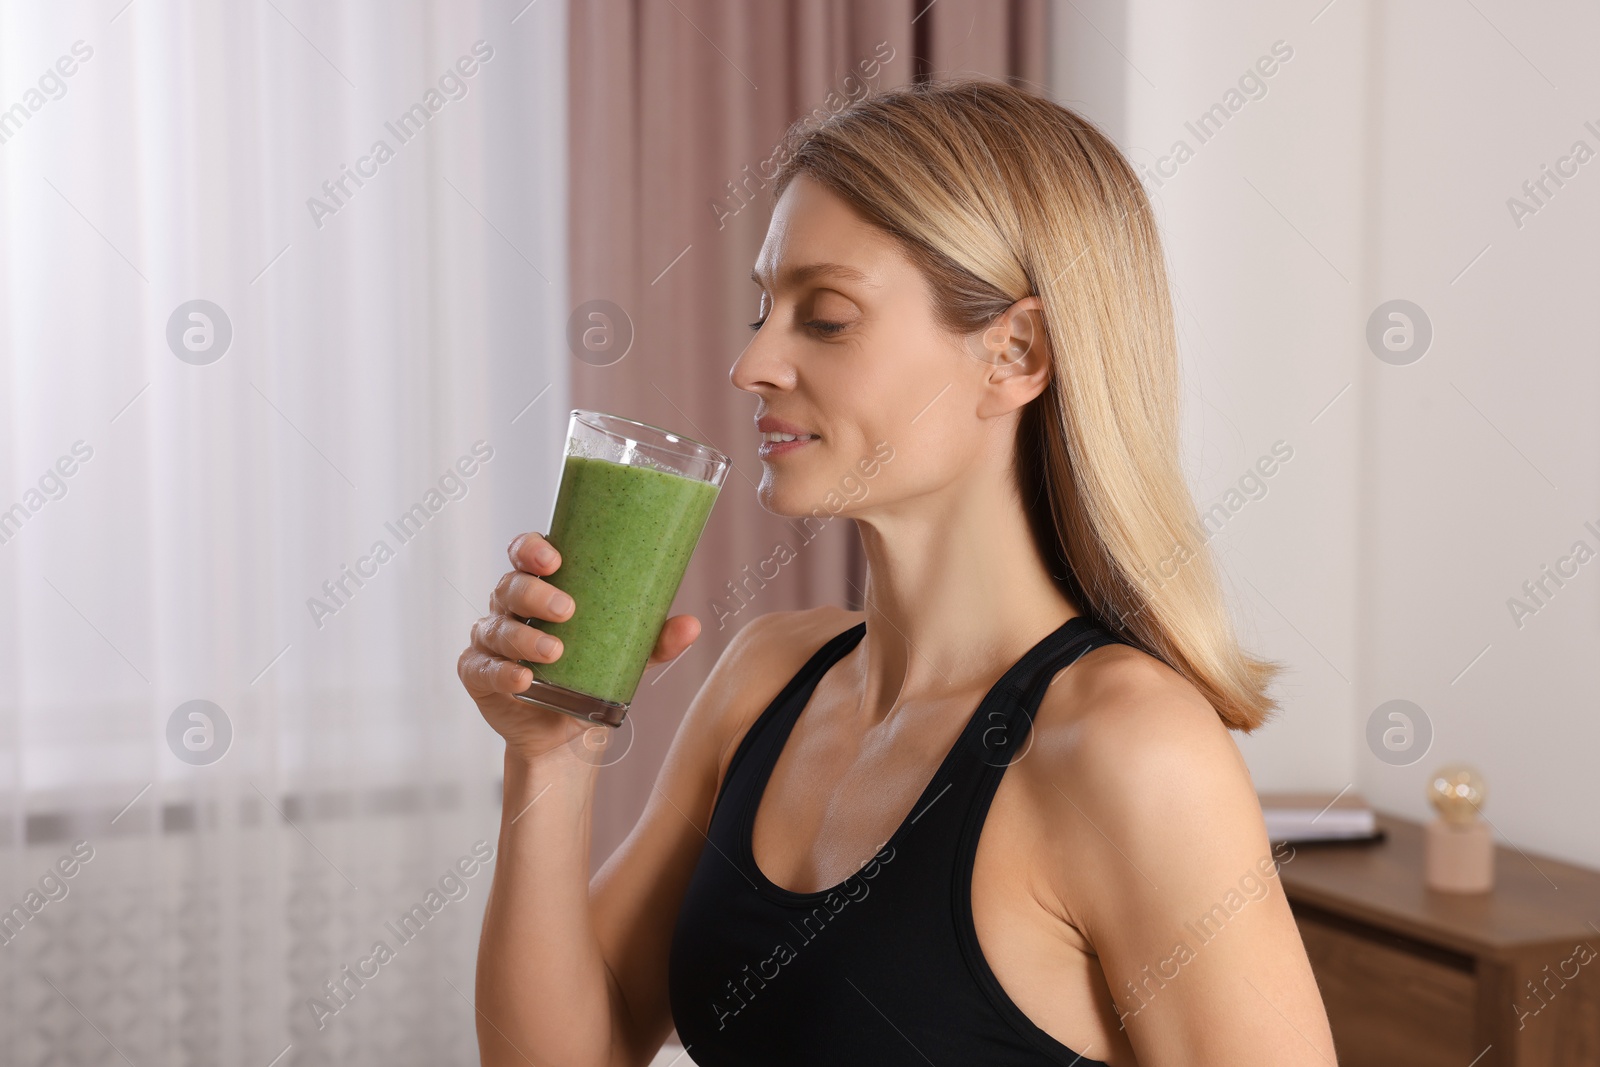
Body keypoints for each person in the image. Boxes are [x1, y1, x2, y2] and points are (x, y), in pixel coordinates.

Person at [459, 78, 1336, 1067]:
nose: (752, 365)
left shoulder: (1129, 748)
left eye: (824, 317)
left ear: (1016, 350)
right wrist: (549, 756)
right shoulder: (765, 676)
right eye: (763, 308)